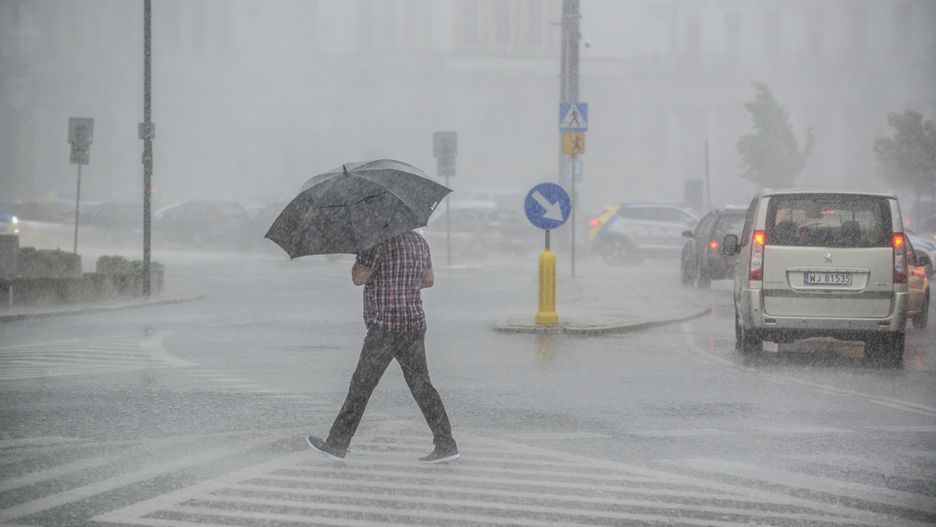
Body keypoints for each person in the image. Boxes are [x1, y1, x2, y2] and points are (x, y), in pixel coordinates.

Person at [306, 230, 459, 463]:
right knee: (422, 387)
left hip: (385, 327)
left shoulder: (375, 242)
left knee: (361, 386)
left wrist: (360, 258)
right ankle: (446, 444)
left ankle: (337, 443)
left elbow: (359, 278)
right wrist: (405, 286)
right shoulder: (419, 242)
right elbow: (429, 280)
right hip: (413, 323)